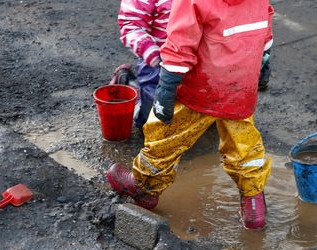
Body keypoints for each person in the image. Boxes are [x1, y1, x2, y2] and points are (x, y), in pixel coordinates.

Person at [106, 0, 274, 230]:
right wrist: (263, 64)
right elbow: (263, 32)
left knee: (164, 135)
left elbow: (180, 44)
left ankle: (145, 188)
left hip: (201, 88)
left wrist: (165, 88)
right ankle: (254, 203)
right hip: (240, 86)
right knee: (244, 145)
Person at [111, 0, 173, 130]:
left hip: (195, 58)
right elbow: (131, 24)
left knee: (203, 112)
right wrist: (148, 50)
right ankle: (132, 90)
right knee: (153, 122)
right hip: (158, 59)